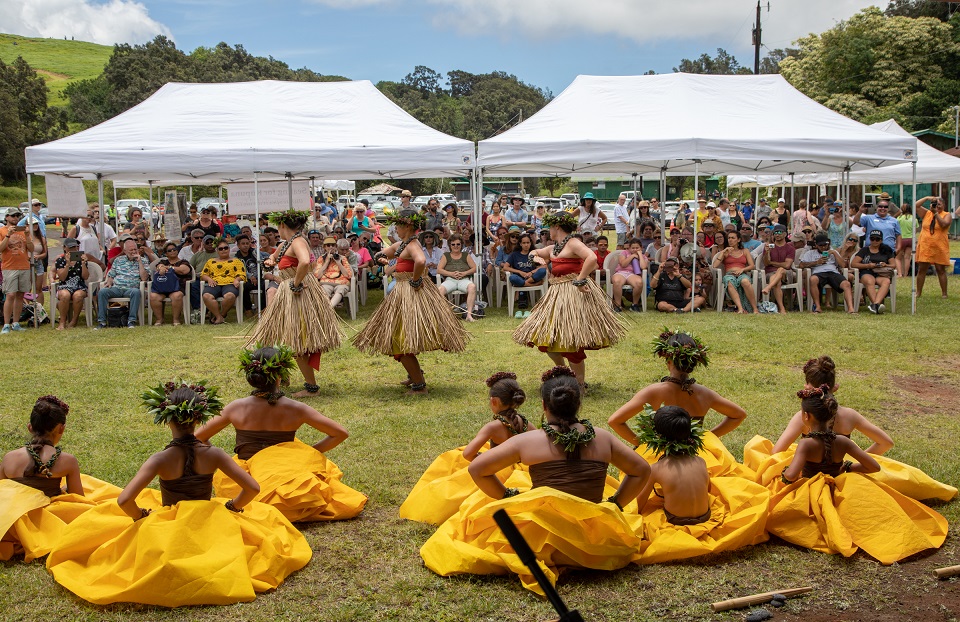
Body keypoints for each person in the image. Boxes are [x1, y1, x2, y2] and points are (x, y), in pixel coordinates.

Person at [46, 381, 311, 605]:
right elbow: (252, 488)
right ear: (199, 418)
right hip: (210, 517)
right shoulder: (214, 453)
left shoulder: (160, 459)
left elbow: (124, 500)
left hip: (170, 520)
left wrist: (140, 517)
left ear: (166, 420)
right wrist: (233, 507)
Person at [420, 366, 651, 595]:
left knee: (476, 512)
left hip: (540, 537)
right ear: (578, 404)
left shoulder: (530, 440)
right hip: (593, 540)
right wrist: (615, 504)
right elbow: (641, 469)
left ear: (544, 405)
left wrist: (507, 496)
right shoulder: (601, 437)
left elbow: (477, 469)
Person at [764, 386, 946, 565]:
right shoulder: (842, 441)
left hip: (811, 491)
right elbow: (873, 466)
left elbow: (792, 476)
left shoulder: (806, 444)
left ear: (806, 416)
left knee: (771, 510)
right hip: (840, 484)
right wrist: (848, 467)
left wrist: (783, 473)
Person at [744, 355, 957, 503]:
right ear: (834, 387)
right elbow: (886, 443)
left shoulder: (803, 420)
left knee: (756, 449)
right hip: (840, 467)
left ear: (808, 389)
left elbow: (777, 452)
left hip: (810, 472)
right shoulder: (850, 417)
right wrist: (849, 464)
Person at [195, 345, 366, 522]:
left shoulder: (236, 407)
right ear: (280, 376)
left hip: (248, 480)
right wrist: (308, 452)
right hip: (289, 474)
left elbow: (198, 438)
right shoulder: (296, 408)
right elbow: (340, 433)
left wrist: (219, 457)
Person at [629, 405, 770, 564]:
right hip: (706, 517)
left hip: (675, 521)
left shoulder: (656, 468)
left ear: (657, 437)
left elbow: (639, 505)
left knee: (644, 511)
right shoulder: (701, 461)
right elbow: (707, 491)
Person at [609, 329, 751, 478]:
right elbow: (738, 415)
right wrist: (709, 436)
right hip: (697, 456)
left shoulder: (653, 392)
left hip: (660, 456)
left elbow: (615, 421)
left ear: (668, 361)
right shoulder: (704, 393)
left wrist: (640, 443)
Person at [353, 210, 469, 395]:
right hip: (401, 292)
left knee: (400, 338)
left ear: (408, 226)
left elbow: (421, 260)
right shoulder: (401, 244)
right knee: (399, 336)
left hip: (409, 291)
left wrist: (415, 279)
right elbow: (384, 254)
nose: (395, 229)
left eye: (398, 226)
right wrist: (383, 259)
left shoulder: (413, 244)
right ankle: (415, 374)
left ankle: (419, 385)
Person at [399, 371, 531, 525]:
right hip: (522, 467)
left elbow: (468, 454)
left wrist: (483, 457)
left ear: (493, 401)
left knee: (451, 474)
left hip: (495, 470)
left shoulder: (492, 427)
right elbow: (539, 438)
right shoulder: (522, 421)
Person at [513, 211, 625, 389]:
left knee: (571, 343)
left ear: (557, 227)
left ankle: (578, 384)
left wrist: (580, 279)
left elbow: (592, 258)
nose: (549, 230)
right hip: (557, 296)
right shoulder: (553, 248)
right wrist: (536, 258)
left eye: (550, 227)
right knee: (549, 341)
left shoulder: (573, 243)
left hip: (574, 296)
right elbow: (534, 252)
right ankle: (565, 375)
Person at [0, 395, 115, 562]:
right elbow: (78, 499)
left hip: (11, 524)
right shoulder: (68, 460)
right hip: (45, 521)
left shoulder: (9, 458)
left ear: (30, 427)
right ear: (61, 428)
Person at [249, 209, 343, 397]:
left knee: (298, 340)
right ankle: (282, 376)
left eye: (278, 226)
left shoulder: (299, 241)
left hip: (297, 293)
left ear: (283, 225)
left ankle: (311, 387)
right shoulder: (288, 243)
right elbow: (274, 256)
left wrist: (296, 282)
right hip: (287, 293)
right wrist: (270, 260)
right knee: (278, 336)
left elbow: (304, 261)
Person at [96, 238, 148, 329]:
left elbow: (144, 278)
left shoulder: (143, 261)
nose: (133, 252)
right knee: (102, 292)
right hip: (117, 288)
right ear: (125, 251)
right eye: (131, 250)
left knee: (136, 292)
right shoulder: (118, 260)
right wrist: (109, 282)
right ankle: (102, 321)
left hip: (131, 288)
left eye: (135, 249)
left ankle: (131, 321)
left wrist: (139, 262)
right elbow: (111, 275)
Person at [798, 233, 854, 313]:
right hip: (818, 273)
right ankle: (817, 307)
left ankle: (851, 309)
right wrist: (816, 262)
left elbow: (843, 265)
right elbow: (801, 265)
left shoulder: (833, 252)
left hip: (833, 272)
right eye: (821, 245)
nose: (824, 247)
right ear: (816, 245)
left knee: (847, 284)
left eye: (825, 245)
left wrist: (834, 253)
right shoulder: (810, 253)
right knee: (813, 279)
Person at [914, 195, 952, 298]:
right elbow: (916, 206)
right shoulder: (927, 213)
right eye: (935, 204)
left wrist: (936, 213)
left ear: (944, 205)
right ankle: (918, 292)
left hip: (939, 246)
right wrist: (926, 198)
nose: (937, 206)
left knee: (940, 269)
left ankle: (944, 293)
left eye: (939, 204)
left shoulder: (947, 214)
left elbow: (944, 224)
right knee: (922, 269)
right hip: (926, 246)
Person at [712, 230, 759, 314]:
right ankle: (740, 308)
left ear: (738, 240)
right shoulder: (725, 252)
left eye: (733, 238)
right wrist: (722, 252)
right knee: (729, 282)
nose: (730, 240)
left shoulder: (745, 251)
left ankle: (755, 308)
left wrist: (742, 270)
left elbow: (752, 266)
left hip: (742, 273)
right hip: (729, 274)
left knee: (745, 281)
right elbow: (715, 265)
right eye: (729, 238)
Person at [200, 240, 245, 324]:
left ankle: (222, 314)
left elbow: (242, 274)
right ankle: (218, 317)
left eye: (225, 248)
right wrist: (209, 279)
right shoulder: (210, 261)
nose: (223, 250)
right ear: (217, 250)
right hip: (214, 283)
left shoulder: (236, 261)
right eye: (221, 249)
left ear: (229, 249)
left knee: (230, 296)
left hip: (230, 283)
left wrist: (237, 279)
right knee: (206, 296)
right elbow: (203, 275)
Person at [0, 209, 31, 334]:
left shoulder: (23, 231)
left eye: (18, 216)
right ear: (7, 217)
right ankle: (6, 324)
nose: (16, 218)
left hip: (23, 265)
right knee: (10, 294)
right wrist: (8, 235)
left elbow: (31, 248)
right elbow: (1, 248)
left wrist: (28, 235)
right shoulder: (2, 230)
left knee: (20, 295)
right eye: (13, 216)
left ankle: (16, 322)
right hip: (9, 266)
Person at [850, 230, 895, 314]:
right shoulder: (865, 250)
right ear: (869, 239)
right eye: (872, 239)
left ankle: (875, 305)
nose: (874, 241)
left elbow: (893, 265)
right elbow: (853, 264)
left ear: (881, 240)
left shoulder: (886, 250)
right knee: (870, 281)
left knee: (886, 281)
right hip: (866, 272)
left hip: (880, 272)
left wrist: (885, 265)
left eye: (877, 239)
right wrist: (868, 265)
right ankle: (877, 306)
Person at [436, 234, 478, 321]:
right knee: (440, 290)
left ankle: (469, 315)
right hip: (450, 280)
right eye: (453, 244)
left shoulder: (466, 255)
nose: (456, 246)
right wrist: (450, 274)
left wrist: (464, 273)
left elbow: (474, 268)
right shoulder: (446, 255)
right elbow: (439, 270)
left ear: (461, 245)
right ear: (450, 245)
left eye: (458, 244)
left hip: (464, 279)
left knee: (472, 287)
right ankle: (447, 314)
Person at [149, 242, 193, 325]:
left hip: (177, 287)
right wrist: (161, 267)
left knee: (176, 296)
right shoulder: (163, 262)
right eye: (169, 250)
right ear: (166, 253)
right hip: (162, 287)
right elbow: (159, 266)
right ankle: (159, 319)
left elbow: (184, 270)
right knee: (153, 296)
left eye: (174, 249)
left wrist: (170, 268)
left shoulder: (183, 262)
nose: (172, 251)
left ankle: (176, 319)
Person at [53, 238, 91, 330]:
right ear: (65, 248)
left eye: (75, 247)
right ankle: (62, 321)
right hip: (64, 285)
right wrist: (67, 264)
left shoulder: (82, 259)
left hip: (79, 285)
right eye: (70, 247)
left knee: (78, 295)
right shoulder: (60, 260)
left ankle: (74, 320)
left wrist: (83, 264)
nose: (73, 249)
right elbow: (62, 277)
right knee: (64, 295)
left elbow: (85, 277)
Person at [502, 232, 545, 314]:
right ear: (520, 244)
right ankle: (533, 285)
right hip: (519, 278)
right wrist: (519, 272)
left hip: (532, 277)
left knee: (542, 271)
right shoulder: (514, 255)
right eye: (524, 243)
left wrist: (532, 272)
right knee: (512, 278)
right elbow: (505, 267)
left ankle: (527, 283)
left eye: (528, 243)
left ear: (530, 243)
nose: (526, 245)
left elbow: (544, 266)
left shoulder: (534, 254)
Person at [761, 224, 796, 314]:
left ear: (785, 234)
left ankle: (768, 287)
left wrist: (772, 263)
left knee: (780, 269)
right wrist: (767, 253)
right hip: (770, 273)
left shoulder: (790, 248)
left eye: (779, 232)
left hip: (786, 273)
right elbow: (766, 263)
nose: (777, 234)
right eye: (775, 233)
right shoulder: (769, 247)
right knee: (777, 282)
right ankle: (782, 308)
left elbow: (787, 265)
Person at [314, 236, 353, 309]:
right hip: (326, 283)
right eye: (328, 245)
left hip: (341, 283)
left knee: (340, 290)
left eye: (333, 245)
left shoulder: (342, 258)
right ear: (324, 247)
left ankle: (328, 309)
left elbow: (348, 275)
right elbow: (318, 276)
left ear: (336, 247)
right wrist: (327, 261)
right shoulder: (321, 259)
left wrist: (338, 262)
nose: (331, 247)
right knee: (324, 290)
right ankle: (328, 310)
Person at [610, 238, 648, 312]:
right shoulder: (624, 253)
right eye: (633, 248)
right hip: (621, 272)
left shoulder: (643, 257)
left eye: (637, 248)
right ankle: (618, 305)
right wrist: (632, 256)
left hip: (633, 274)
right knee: (617, 281)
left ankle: (635, 304)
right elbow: (623, 264)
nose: (635, 249)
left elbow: (643, 267)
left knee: (639, 283)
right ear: (629, 248)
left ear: (641, 248)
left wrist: (640, 255)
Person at [895, 203, 918, 277]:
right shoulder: (914, 218)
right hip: (911, 239)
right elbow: (916, 229)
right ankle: (906, 274)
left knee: (898, 258)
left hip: (902, 239)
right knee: (907, 257)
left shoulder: (899, 218)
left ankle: (899, 273)